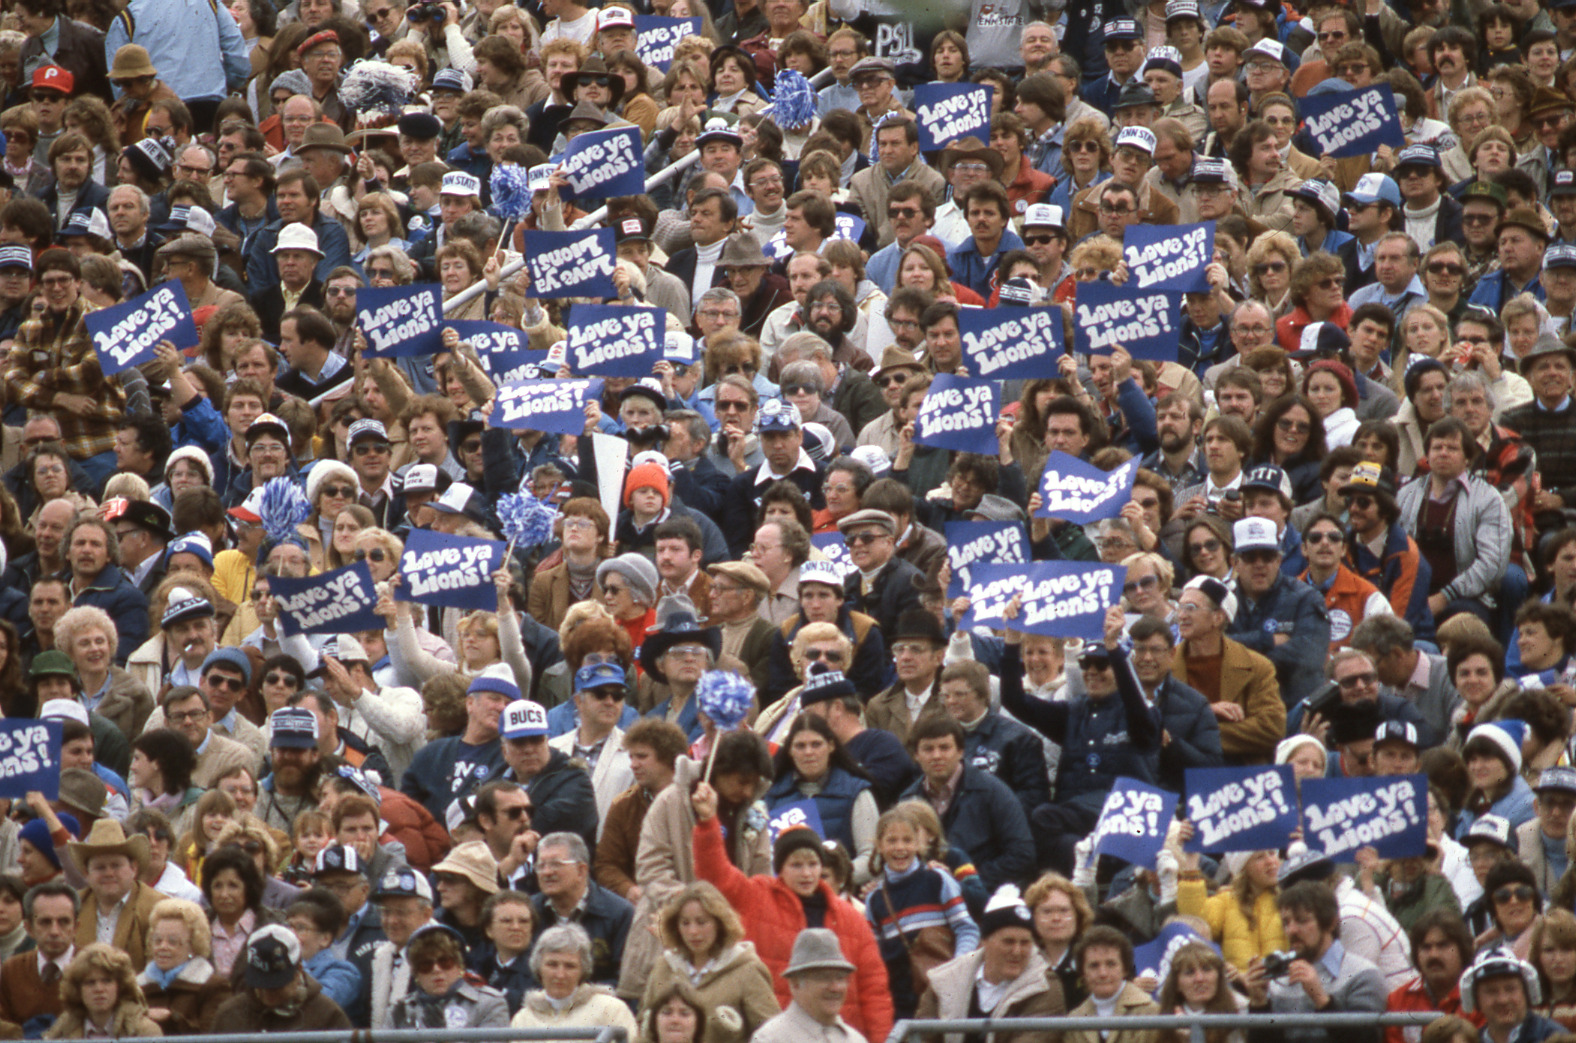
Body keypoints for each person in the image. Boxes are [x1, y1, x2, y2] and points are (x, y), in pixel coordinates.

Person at [690, 779, 892, 1043]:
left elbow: (873, 990)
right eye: (796, 865)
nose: (806, 873)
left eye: (813, 864)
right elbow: (715, 875)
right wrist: (707, 823)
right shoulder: (757, 895)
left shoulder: (851, 917)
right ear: (780, 868)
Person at [1245, 881, 1388, 1043]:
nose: (1292, 930)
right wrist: (1259, 1004)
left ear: (1331, 923)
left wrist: (1321, 999)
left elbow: (1366, 1039)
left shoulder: (1363, 974)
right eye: (1286, 922)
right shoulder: (1277, 981)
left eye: (1302, 921)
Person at [638, 881, 779, 1043]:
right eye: (685, 923)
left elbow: (772, 1033)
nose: (693, 931)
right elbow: (645, 1028)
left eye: (702, 922)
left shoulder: (748, 970)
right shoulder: (664, 966)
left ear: (720, 923)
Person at [210, 924, 352, 1032]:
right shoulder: (229, 1016)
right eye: (260, 985)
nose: (268, 994)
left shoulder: (327, 1015)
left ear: (299, 972)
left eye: (276, 986)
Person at [509, 923, 639, 1036]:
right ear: (538, 966)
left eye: (570, 966)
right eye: (552, 965)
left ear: (583, 969)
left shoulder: (611, 1009)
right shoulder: (523, 1019)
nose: (560, 974)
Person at [748, 928, 872, 1043]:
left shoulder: (856, 1040)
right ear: (795, 983)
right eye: (824, 978)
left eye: (840, 978)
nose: (836, 987)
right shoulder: (770, 1038)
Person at [134, 898, 229, 1037]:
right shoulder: (136, 987)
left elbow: (211, 1037)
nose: (163, 947)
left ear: (193, 946)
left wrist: (172, 1019)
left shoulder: (214, 987)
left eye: (172, 942)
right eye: (157, 940)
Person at [389, 923, 508, 1028]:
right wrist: (404, 1037)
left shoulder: (489, 1003)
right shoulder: (400, 1011)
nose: (436, 969)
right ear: (416, 974)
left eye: (445, 962)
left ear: (459, 965)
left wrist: (443, 1038)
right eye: (426, 965)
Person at [0, 880, 79, 1036]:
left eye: (64, 922)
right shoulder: (12, 969)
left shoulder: (95, 968)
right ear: (29, 928)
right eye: (45, 922)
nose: (55, 931)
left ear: (76, 927)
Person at [1384, 910, 1474, 1042]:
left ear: (1462, 949)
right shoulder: (1398, 1000)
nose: (1434, 955)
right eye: (1426, 947)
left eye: (1443, 945)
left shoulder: (1478, 995)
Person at [1060, 926, 1161, 1043]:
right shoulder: (1073, 1020)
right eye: (1094, 965)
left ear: (1125, 969)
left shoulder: (1150, 1012)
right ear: (1083, 972)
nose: (1103, 973)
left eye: (1111, 964)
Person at [44, 942, 161, 1040]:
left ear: (119, 986)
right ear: (78, 989)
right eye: (90, 982)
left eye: (107, 981)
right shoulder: (62, 1030)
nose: (99, 989)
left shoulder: (144, 1031)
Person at [1459, 947, 1563, 1043]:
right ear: (1476, 999)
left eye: (1510, 989)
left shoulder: (1554, 1037)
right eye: (1491, 991)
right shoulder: (1470, 1041)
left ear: (1525, 992)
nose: (1502, 1000)